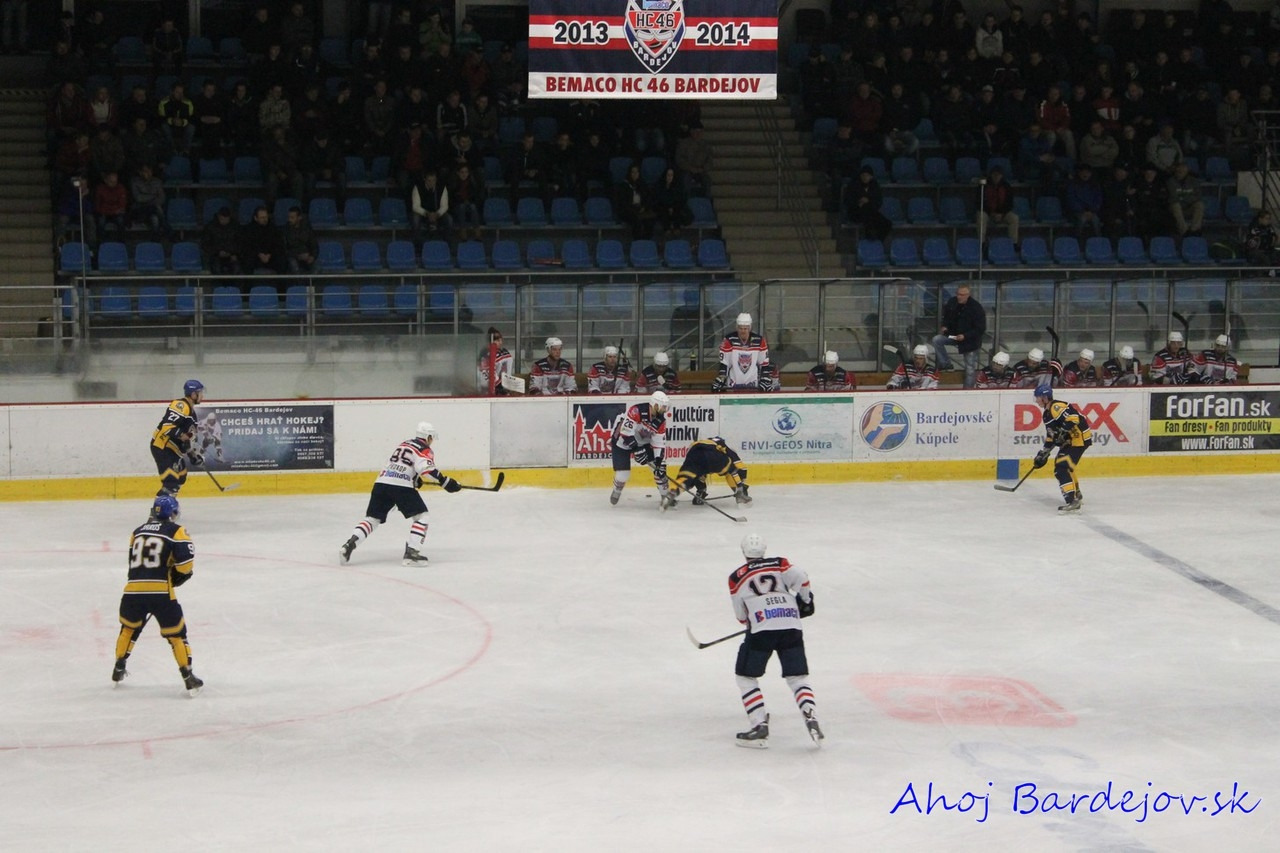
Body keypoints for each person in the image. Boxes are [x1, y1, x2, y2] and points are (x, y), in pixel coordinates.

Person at [728, 532, 821, 748]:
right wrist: (805, 600)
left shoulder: (736, 577)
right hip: (791, 624)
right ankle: (811, 717)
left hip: (761, 630)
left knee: (746, 677)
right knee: (797, 678)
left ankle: (759, 726)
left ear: (743, 552)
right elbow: (802, 577)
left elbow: (741, 616)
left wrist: (753, 620)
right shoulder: (780, 563)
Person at [111, 495, 203, 694]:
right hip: (161, 592)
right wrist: (178, 575)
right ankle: (188, 676)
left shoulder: (137, 532)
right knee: (176, 635)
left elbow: (134, 563)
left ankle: (118, 668)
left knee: (128, 629)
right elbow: (185, 565)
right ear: (173, 513)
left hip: (133, 590)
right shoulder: (177, 531)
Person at [339, 422, 463, 567]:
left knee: (372, 519)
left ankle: (348, 546)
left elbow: (401, 466)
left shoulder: (404, 444)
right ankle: (411, 554)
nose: (432, 441)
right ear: (428, 437)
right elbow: (427, 470)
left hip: (381, 483)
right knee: (421, 517)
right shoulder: (424, 448)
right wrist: (446, 482)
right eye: (432, 438)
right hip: (401, 486)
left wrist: (415, 480)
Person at [1031, 383, 1093, 513]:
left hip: (1079, 439)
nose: (1036, 400)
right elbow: (1051, 436)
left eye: (1038, 397)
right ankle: (1076, 494)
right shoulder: (1047, 414)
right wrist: (1044, 452)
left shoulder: (1056, 407)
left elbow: (1074, 418)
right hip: (1071, 441)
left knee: (1061, 468)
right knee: (1063, 466)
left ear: (1045, 397)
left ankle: (1072, 501)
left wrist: (1063, 431)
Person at [609, 391, 672, 508]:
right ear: (655, 405)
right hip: (622, 439)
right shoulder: (636, 411)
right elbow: (626, 433)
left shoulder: (661, 421)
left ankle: (665, 496)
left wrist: (659, 462)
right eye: (663, 407)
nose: (664, 410)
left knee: (659, 470)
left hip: (643, 441)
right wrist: (637, 450)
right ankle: (617, 490)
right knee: (623, 474)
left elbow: (658, 444)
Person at [150, 379, 205, 501]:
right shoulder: (181, 405)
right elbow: (167, 427)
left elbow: (187, 440)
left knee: (181, 478)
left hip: (174, 451)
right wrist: (182, 436)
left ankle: (169, 505)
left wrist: (193, 455)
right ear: (193, 394)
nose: (202, 396)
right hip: (163, 446)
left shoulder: (192, 415)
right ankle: (158, 510)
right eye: (200, 393)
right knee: (171, 483)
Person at [931, 284, 987, 388]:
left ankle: (967, 390)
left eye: (962, 295)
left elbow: (980, 328)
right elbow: (946, 317)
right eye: (958, 294)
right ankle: (946, 364)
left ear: (968, 295)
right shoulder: (952, 302)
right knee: (937, 340)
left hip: (970, 341)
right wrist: (945, 326)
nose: (959, 297)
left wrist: (965, 336)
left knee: (970, 368)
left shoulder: (976, 307)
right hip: (954, 336)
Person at [671, 436, 750, 505]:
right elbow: (740, 467)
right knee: (730, 470)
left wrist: (699, 487)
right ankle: (740, 493)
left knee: (691, 475)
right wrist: (741, 486)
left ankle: (676, 492)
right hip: (711, 454)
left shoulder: (709, 442)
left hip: (693, 450)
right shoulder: (725, 450)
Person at [712, 313, 771, 393]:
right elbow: (725, 363)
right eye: (740, 328)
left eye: (745, 328)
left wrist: (765, 378)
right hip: (733, 385)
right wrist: (721, 378)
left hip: (753, 385)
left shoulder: (759, 341)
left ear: (750, 328)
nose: (743, 331)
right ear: (737, 327)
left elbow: (764, 363)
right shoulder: (729, 340)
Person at [477, 327, 514, 395]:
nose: (501, 342)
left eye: (501, 340)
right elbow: (485, 372)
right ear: (490, 341)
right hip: (489, 390)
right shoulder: (485, 353)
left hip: (505, 387)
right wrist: (499, 387)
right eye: (497, 340)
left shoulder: (504, 351)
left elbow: (508, 369)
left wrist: (509, 385)